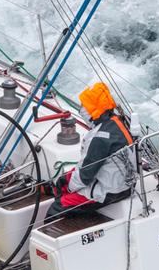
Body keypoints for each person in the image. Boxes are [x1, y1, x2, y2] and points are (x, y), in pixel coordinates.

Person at [45, 82, 135, 221]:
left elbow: (84, 177)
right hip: (123, 184)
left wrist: (69, 190)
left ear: (92, 110)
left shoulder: (99, 138)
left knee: (58, 206)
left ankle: (61, 225)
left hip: (108, 191)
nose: (81, 109)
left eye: (84, 106)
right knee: (63, 181)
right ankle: (58, 193)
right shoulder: (120, 122)